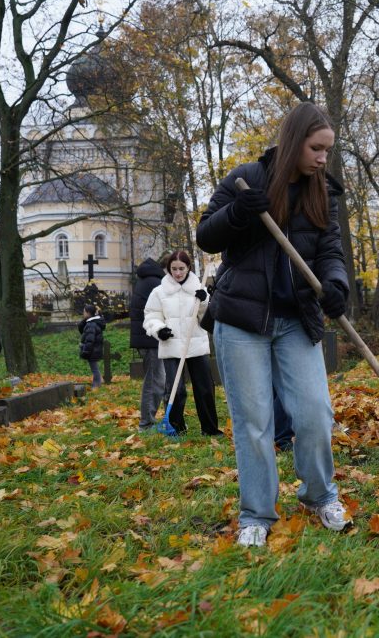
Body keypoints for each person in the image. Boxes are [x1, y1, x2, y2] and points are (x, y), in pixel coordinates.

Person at [196, 102, 351, 548]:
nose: (323, 158)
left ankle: (319, 496)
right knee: (255, 423)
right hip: (242, 321)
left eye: (328, 151)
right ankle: (257, 515)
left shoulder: (324, 192)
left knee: (315, 414)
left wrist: (335, 283)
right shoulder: (246, 178)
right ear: (294, 140)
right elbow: (207, 235)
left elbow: (331, 252)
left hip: (296, 320)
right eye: (317, 148)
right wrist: (239, 213)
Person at [143, 250, 221, 437]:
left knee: (204, 388)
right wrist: (159, 329)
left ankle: (209, 429)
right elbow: (151, 317)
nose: (178, 273)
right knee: (175, 391)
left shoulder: (198, 289)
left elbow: (208, 318)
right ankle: (177, 427)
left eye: (181, 269)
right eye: (174, 269)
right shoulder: (159, 292)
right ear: (168, 269)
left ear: (188, 268)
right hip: (171, 346)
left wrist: (204, 302)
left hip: (196, 344)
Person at [130, 257, 166, 431]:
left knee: (156, 379)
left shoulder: (145, 279)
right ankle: (146, 424)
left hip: (147, 338)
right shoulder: (155, 282)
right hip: (151, 338)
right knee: (154, 381)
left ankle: (149, 420)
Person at [78, 304, 105, 388]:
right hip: (95, 349)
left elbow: (90, 340)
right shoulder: (92, 322)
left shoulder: (91, 325)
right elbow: (81, 327)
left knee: (94, 369)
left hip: (92, 350)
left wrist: (85, 351)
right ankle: (98, 381)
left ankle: (96, 386)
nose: (83, 313)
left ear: (88, 313)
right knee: (95, 367)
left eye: (84, 312)